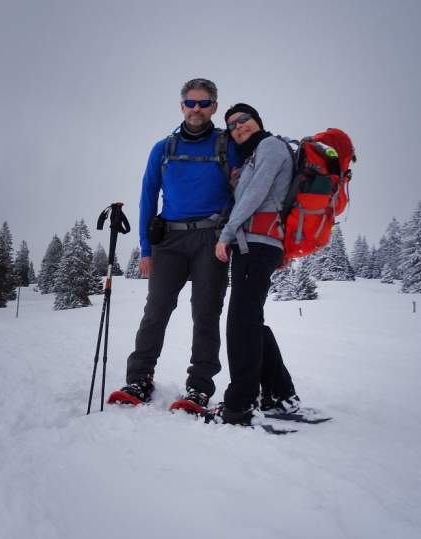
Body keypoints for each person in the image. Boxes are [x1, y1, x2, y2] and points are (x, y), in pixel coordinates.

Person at [111, 78, 240, 408]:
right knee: (155, 311)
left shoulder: (227, 145)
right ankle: (139, 380)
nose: (196, 109)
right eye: (190, 103)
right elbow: (147, 196)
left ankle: (199, 387)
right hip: (169, 239)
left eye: (203, 103)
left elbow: (248, 189)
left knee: (206, 313)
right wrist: (146, 248)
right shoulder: (163, 148)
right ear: (181, 106)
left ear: (213, 106)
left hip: (212, 239)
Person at [211, 103, 302, 425]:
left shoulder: (270, 146)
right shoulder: (256, 155)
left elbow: (256, 195)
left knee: (241, 324)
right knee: (250, 321)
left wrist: (226, 234)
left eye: (244, 119)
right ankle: (279, 394)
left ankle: (239, 405)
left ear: (258, 120)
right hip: (257, 246)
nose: (238, 126)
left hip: (257, 245)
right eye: (232, 124)